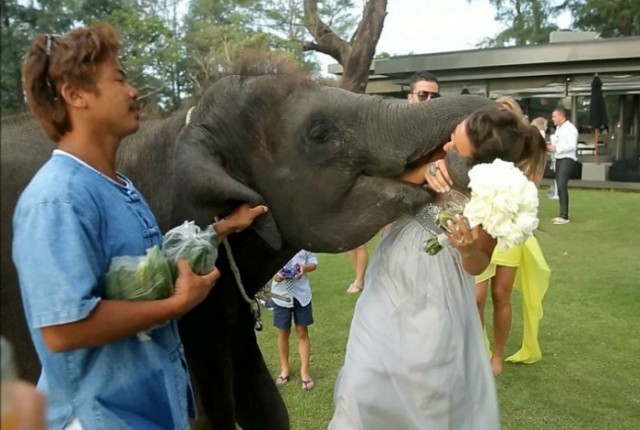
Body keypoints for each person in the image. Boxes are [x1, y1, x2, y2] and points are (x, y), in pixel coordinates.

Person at [14, 24, 267, 430]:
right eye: (118, 78)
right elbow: (62, 327)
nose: (133, 91)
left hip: (145, 412)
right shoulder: (57, 198)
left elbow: (152, 265)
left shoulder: (117, 186)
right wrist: (176, 306)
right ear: (74, 94)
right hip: (98, 417)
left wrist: (219, 231)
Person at [330, 107, 548, 430]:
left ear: (480, 166)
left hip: (439, 289)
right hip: (391, 273)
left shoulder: (491, 197)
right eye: (451, 138)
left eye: (455, 148)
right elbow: (378, 190)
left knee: (427, 388)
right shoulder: (434, 152)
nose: (446, 147)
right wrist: (420, 174)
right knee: (364, 372)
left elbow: (479, 263)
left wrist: (469, 248)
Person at [474, 105, 551, 376]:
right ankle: (477, 349)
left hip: (510, 231)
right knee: (477, 297)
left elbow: (535, 183)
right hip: (482, 225)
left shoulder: (529, 144)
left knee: (500, 294)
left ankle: (497, 355)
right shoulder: (482, 144)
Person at [270, 250, 318, 390]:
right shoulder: (276, 245)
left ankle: (305, 371)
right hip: (280, 295)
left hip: (301, 295)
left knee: (302, 331)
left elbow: (313, 263)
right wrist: (276, 275)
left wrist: (303, 268)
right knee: (283, 331)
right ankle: (284, 369)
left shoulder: (303, 243)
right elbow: (266, 266)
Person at [547, 105, 578, 224]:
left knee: (561, 185)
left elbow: (571, 146)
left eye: (554, 116)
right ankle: (562, 214)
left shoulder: (570, 129)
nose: (553, 119)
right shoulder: (559, 129)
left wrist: (556, 148)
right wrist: (551, 146)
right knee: (560, 186)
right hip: (559, 158)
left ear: (561, 116)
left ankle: (564, 216)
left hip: (567, 159)